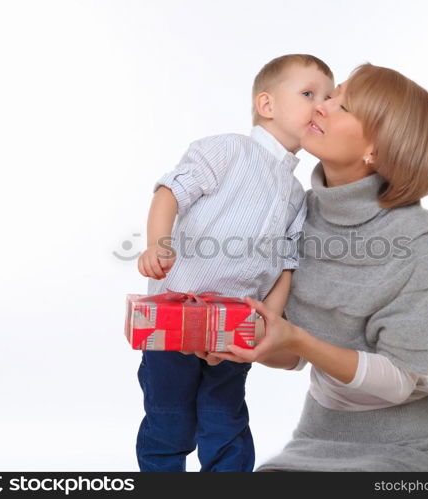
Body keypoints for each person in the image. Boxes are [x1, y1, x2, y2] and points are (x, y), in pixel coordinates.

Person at [207, 63, 428, 472]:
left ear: (377, 150)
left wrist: (296, 339)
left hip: (405, 452)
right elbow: (290, 354)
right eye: (331, 96)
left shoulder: (411, 236)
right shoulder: (297, 212)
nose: (323, 107)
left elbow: (399, 383)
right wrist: (240, 342)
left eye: (344, 106)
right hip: (316, 441)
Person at [135, 54, 335, 471]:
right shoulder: (229, 149)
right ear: (267, 105)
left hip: (233, 327)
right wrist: (158, 244)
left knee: (224, 419)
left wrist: (269, 320)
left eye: (330, 98)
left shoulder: (298, 195)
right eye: (308, 94)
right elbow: (170, 192)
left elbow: (287, 263)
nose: (322, 105)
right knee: (168, 420)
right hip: (175, 315)